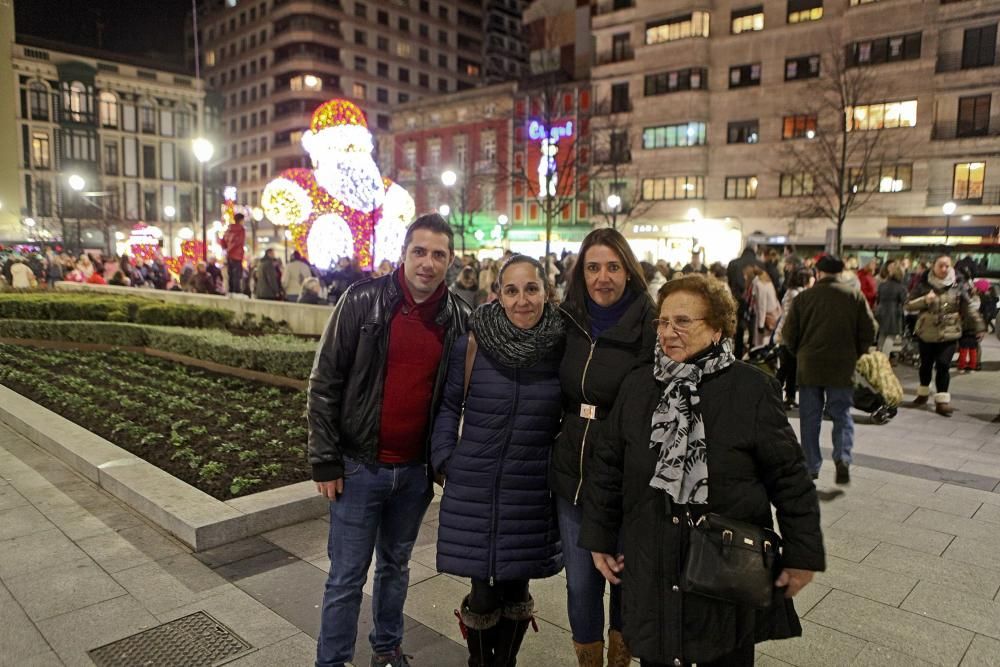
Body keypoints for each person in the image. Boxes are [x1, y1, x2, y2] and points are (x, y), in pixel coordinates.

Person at [580, 274, 825, 667]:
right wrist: (599, 537)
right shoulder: (640, 385)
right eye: (662, 321)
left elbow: (790, 478)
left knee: (722, 654)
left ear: (716, 328)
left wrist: (802, 552)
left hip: (724, 566)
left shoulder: (751, 389)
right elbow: (606, 466)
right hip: (652, 559)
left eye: (683, 322)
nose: (668, 332)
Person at [308, 214, 472, 667]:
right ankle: (333, 660)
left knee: (396, 568)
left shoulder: (458, 317)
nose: (428, 263)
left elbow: (458, 398)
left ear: (450, 261)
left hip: (415, 474)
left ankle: (386, 649)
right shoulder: (362, 300)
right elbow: (325, 381)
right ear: (403, 253)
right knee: (345, 576)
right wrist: (325, 460)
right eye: (419, 251)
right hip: (360, 467)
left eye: (439, 254)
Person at [432, 255, 565, 667]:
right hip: (475, 481)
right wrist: (445, 458)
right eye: (512, 290)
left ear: (546, 291)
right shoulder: (474, 342)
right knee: (483, 591)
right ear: (498, 294)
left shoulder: (562, 346)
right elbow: (449, 404)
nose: (522, 300)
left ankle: (502, 663)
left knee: (516, 590)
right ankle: (480, 662)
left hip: (530, 487)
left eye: (531, 289)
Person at [552, 228, 656, 667]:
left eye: (613, 267)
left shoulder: (651, 324)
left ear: (629, 272)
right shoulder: (567, 320)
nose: (603, 277)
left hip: (630, 476)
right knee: (580, 582)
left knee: (627, 579)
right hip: (574, 474)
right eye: (593, 267)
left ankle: (621, 659)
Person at [781, 255, 876, 482]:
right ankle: (842, 457)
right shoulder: (854, 296)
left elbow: (788, 334)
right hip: (842, 366)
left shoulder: (805, 298)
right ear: (840, 273)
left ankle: (811, 465)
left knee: (810, 418)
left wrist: (800, 352)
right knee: (842, 414)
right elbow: (869, 329)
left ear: (819, 273)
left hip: (809, 366)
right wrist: (857, 352)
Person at [905, 255, 985, 416]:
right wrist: (925, 300)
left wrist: (979, 326)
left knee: (943, 364)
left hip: (949, 331)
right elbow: (908, 305)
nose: (944, 269)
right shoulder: (923, 284)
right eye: (941, 265)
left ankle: (942, 401)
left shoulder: (958, 285)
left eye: (947, 266)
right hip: (926, 332)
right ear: (933, 266)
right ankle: (922, 393)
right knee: (926, 365)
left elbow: (968, 308)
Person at [776, 267, 814, 408]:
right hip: (789, 336)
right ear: (805, 279)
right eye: (812, 277)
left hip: (788, 335)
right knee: (785, 368)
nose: (814, 279)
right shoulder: (797, 294)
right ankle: (773, 395)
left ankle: (790, 397)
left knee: (790, 368)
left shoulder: (794, 292)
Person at [727, 245, 760, 359]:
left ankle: (737, 355)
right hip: (754, 303)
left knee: (738, 329)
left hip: (736, 300)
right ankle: (752, 355)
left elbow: (730, 282)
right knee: (752, 330)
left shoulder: (733, 263)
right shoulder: (759, 264)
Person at [875, 264, 908, 359]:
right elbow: (904, 301)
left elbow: (878, 299)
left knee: (882, 335)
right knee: (891, 336)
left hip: (881, 311)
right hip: (893, 313)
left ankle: (878, 356)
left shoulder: (882, 285)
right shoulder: (901, 287)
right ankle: (884, 358)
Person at [747, 265, 781, 350]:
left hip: (766, 317)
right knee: (770, 339)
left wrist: (761, 325)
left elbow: (762, 305)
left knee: (762, 342)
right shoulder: (768, 281)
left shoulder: (759, 284)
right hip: (774, 314)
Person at [223, 214, 247, 293]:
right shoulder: (241, 230)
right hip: (237, 255)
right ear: (241, 220)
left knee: (231, 274)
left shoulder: (228, 229)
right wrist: (231, 249)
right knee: (237, 274)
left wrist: (227, 249)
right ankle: (236, 291)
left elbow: (223, 241)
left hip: (229, 255)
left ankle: (231, 290)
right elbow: (239, 241)